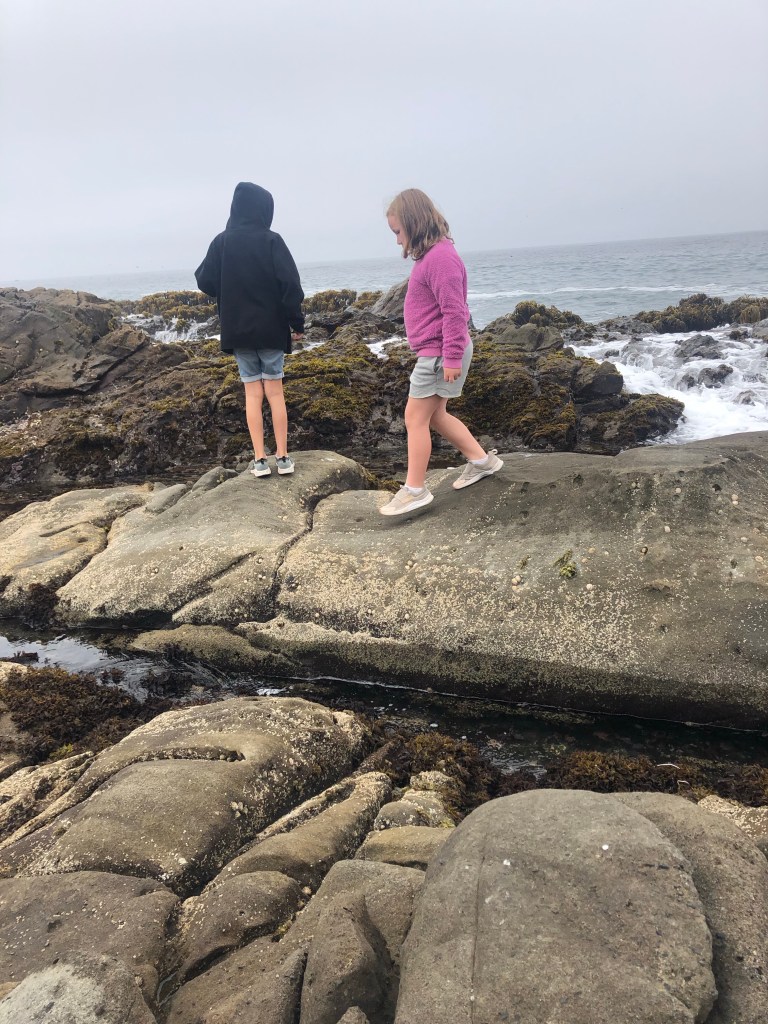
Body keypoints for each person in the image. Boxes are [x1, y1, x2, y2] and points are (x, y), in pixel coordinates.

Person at [379, 188, 503, 516]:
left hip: (438, 354)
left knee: (414, 418)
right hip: (436, 352)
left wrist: (451, 357)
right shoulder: (435, 255)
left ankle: (415, 490)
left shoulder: (440, 258)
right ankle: (481, 461)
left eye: (398, 232)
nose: (397, 240)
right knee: (435, 415)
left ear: (414, 223)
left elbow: (455, 311)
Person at [195, 182, 304, 477]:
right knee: (275, 394)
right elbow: (291, 285)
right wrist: (297, 322)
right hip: (271, 331)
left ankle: (259, 460)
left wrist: (227, 286)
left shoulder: (222, 242)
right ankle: (283, 457)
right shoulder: (272, 240)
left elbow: (204, 280)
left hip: (238, 332)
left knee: (252, 395)